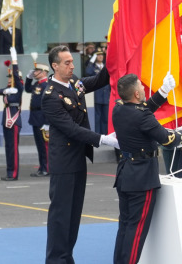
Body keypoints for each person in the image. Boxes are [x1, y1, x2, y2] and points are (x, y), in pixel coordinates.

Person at [43, 44, 117, 264]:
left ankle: (67, 257)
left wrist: (114, 49)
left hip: (77, 159)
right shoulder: (50, 95)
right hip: (63, 161)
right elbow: (71, 129)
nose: (71, 66)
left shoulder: (75, 82)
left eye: (72, 62)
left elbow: (102, 79)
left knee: (74, 215)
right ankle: (56, 259)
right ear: (55, 66)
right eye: (66, 63)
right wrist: (102, 139)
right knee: (61, 215)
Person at [110, 71, 182, 264]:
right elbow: (168, 139)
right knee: (136, 231)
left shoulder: (119, 109)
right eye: (140, 85)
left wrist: (163, 92)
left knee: (125, 226)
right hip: (142, 178)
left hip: (126, 173)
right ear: (136, 94)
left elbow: (142, 110)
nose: (143, 88)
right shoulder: (141, 116)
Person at [0, 52, 25, 181]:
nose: (8, 79)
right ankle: (9, 172)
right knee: (8, 148)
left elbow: (17, 79)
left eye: (10, 77)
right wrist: (4, 91)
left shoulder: (18, 88)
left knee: (13, 148)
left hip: (14, 120)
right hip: (6, 120)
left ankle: (14, 174)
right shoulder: (8, 90)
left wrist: (15, 62)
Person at [25, 60, 51, 177]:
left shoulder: (46, 85)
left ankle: (47, 168)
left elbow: (48, 105)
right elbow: (27, 89)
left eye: (37, 71)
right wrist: (28, 78)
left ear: (44, 72)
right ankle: (42, 167)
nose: (35, 73)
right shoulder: (37, 84)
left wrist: (47, 122)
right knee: (39, 145)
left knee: (45, 146)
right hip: (35, 117)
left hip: (42, 118)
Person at [86, 50, 110, 135]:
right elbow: (88, 72)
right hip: (98, 95)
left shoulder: (105, 66)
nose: (100, 57)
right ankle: (98, 135)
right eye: (98, 55)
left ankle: (105, 134)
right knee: (97, 117)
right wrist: (91, 61)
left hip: (106, 95)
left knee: (105, 117)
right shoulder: (93, 67)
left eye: (101, 55)